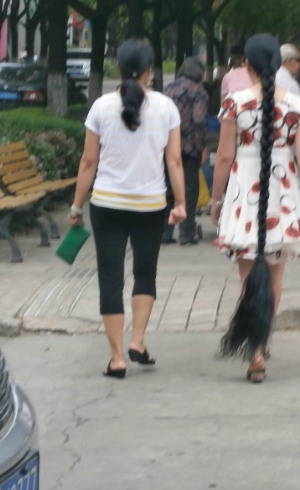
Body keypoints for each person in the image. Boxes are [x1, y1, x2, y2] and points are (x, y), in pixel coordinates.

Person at [211, 33, 300, 383]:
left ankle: (254, 350)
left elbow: (223, 157)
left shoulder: (235, 103)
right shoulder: (298, 106)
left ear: (246, 65)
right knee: (275, 274)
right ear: (277, 67)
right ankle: (261, 345)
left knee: (249, 275)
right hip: (283, 195)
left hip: (243, 195)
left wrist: (216, 202)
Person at [68, 39, 186, 379]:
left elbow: (89, 162)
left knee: (110, 278)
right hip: (151, 205)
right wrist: (180, 204)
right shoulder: (165, 108)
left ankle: (117, 358)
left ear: (119, 69)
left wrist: (77, 206)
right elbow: (175, 160)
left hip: (107, 204)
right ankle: (137, 340)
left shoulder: (101, 107)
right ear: (151, 71)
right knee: (145, 274)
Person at [162, 57, 209, 245]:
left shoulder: (168, 89)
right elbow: (199, 121)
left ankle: (165, 233)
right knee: (189, 189)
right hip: (189, 147)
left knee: (167, 188)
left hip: (166, 146)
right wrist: (202, 147)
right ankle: (186, 234)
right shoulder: (199, 92)